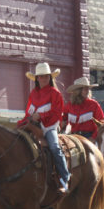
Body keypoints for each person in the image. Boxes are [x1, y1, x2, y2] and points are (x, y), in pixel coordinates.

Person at [17, 63, 70, 194]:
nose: (43, 79)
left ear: (50, 77)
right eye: (41, 77)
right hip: (33, 125)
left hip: (49, 127)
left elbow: (57, 113)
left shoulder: (55, 93)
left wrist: (40, 116)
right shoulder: (33, 94)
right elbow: (28, 113)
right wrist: (23, 122)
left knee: (54, 147)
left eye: (46, 76)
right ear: (37, 79)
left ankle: (65, 179)